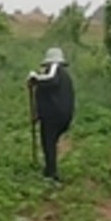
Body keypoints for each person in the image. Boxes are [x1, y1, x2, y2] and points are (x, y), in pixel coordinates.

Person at [27, 47, 74, 181]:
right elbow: (44, 94)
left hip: (54, 116)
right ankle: (49, 170)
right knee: (49, 142)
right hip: (59, 115)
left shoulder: (55, 70)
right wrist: (37, 113)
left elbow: (50, 80)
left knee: (48, 142)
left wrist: (34, 77)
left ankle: (51, 173)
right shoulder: (63, 75)